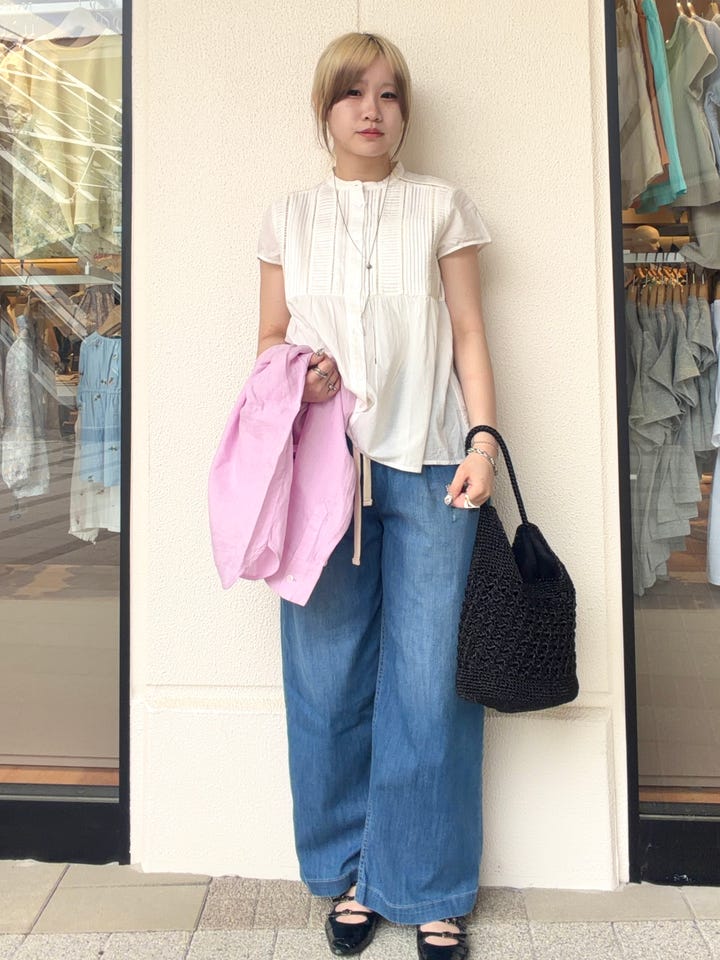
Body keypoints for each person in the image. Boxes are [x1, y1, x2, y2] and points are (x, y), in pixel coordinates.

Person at [256, 31, 497, 960]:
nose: (371, 109)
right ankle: (351, 870)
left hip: (433, 464)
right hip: (324, 468)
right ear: (324, 108)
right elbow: (268, 339)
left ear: (404, 113)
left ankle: (427, 881)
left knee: (430, 682)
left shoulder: (441, 205)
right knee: (325, 681)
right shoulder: (287, 217)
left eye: (389, 94)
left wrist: (483, 440)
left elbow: (468, 329)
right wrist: (302, 375)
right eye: (353, 93)